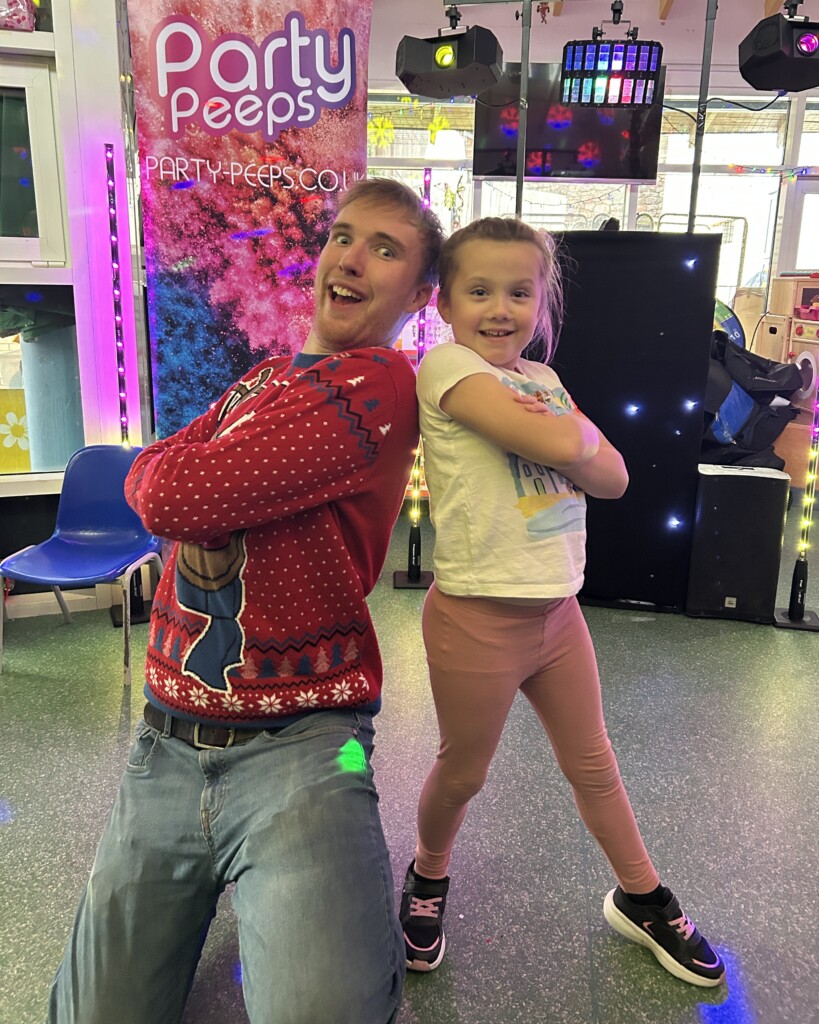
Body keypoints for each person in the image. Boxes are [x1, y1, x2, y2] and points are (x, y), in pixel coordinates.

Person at [47, 178, 444, 1024]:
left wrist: (168, 478)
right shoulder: (260, 381)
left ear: (418, 296)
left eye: (385, 248)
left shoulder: (377, 383)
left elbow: (170, 495)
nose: (350, 257)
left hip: (309, 750)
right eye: (343, 236)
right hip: (162, 746)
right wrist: (166, 476)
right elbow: (156, 472)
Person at [399, 216, 725, 989]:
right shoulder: (444, 366)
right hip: (477, 618)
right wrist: (572, 438)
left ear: (541, 302)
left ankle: (641, 896)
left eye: (519, 291)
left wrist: (568, 434)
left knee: (594, 765)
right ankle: (427, 874)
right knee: (462, 773)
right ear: (445, 301)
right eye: (479, 291)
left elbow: (613, 478)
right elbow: (570, 451)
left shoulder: (542, 380)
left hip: (556, 614)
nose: (501, 308)